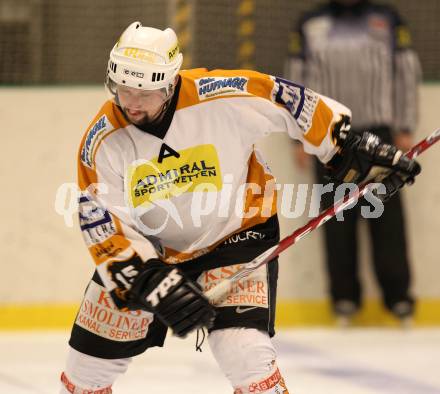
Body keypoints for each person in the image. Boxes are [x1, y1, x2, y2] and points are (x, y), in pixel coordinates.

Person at [60, 21, 420, 393]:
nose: (131, 102)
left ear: (169, 83)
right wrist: (148, 278)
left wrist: (343, 145)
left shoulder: (219, 95)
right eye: (122, 89)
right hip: (153, 254)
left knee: (245, 353)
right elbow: (103, 223)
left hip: (237, 235)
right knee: (85, 371)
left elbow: (285, 99)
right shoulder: (101, 140)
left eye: (144, 91)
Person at [285, 0, 422, 325]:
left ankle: (398, 297)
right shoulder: (309, 22)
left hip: (379, 132)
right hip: (329, 135)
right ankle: (344, 298)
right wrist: (298, 137)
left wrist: (405, 125)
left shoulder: (386, 18)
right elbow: (295, 80)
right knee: (336, 217)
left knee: (387, 216)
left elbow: (405, 71)